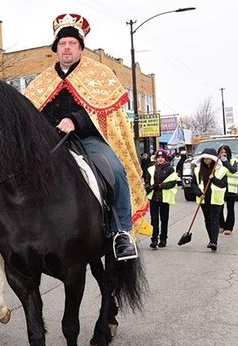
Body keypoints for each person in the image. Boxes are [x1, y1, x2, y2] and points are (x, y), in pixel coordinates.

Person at [24, 13, 149, 261]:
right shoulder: (42, 82)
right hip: (51, 141)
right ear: (56, 49)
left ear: (81, 47)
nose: (66, 47)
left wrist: (75, 120)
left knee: (114, 170)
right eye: (62, 44)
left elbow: (106, 111)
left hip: (88, 139)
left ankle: (121, 233)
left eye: (72, 43)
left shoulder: (100, 74)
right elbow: (31, 114)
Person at [191, 148, 228, 251]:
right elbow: (193, 184)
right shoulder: (197, 169)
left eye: (209, 159)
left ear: (213, 159)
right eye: (205, 159)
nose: (207, 160)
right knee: (207, 219)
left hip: (215, 199)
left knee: (214, 219)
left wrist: (214, 179)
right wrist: (199, 194)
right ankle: (211, 239)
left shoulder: (221, 170)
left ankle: (214, 241)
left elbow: (223, 184)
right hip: (204, 198)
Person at [145, 149, 178, 249]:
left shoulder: (170, 169)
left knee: (164, 219)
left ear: (165, 158)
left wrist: (159, 186)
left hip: (164, 197)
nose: (160, 159)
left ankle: (163, 239)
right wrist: (147, 187)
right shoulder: (151, 169)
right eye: (158, 157)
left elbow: (172, 183)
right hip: (154, 197)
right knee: (154, 219)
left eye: (162, 157)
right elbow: (147, 181)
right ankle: (154, 239)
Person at [217, 145, 238, 235]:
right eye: (221, 152)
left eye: (225, 152)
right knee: (219, 208)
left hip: (231, 189)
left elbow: (233, 170)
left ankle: (229, 227)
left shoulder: (233, 161)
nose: (223, 154)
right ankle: (221, 225)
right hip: (220, 188)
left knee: (230, 208)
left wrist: (225, 162)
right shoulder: (217, 162)